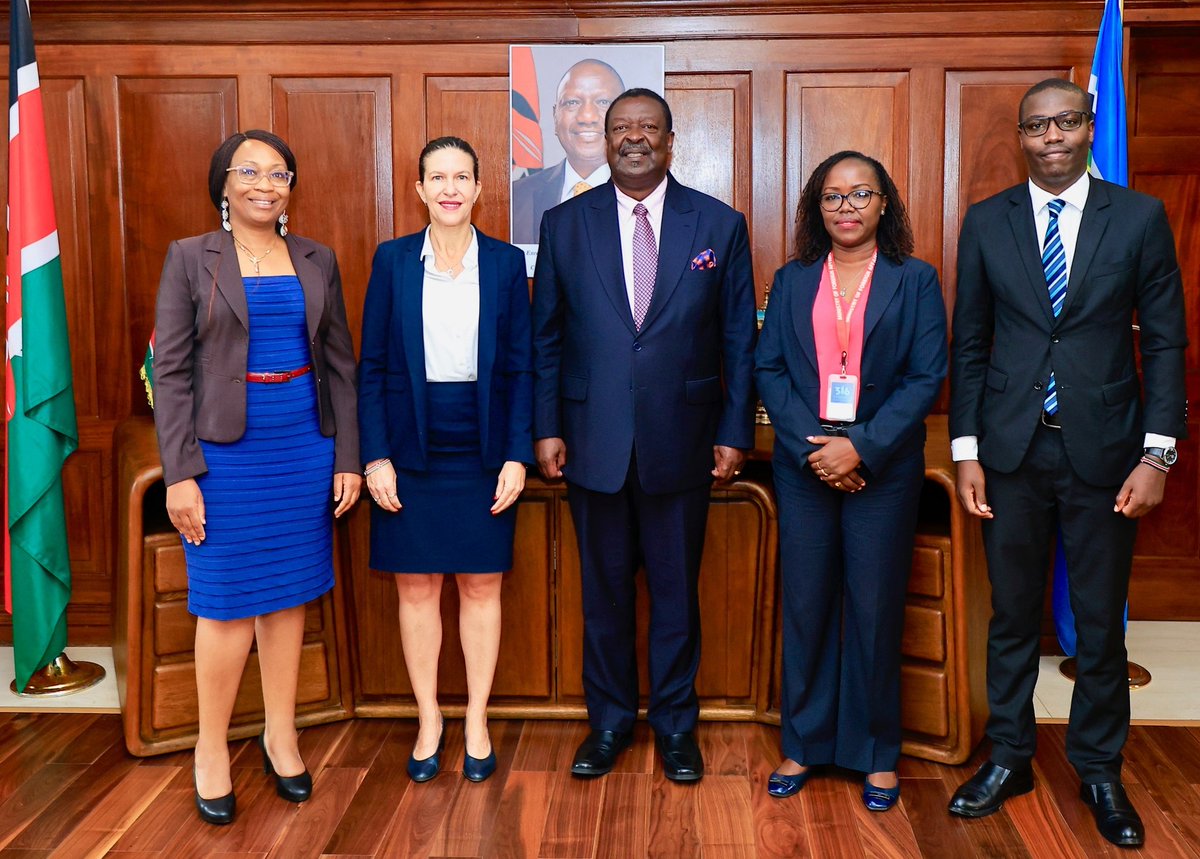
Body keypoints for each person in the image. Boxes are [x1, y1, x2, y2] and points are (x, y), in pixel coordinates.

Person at [947, 79, 1188, 848]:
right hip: (1011, 451)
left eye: (1066, 122)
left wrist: (1157, 453)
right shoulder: (987, 222)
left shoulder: (1141, 217)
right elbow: (972, 344)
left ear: (1089, 127)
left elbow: (1165, 342)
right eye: (1037, 125)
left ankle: (1099, 768)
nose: (1052, 136)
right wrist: (966, 451)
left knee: (1098, 626)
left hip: (1107, 452)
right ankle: (1011, 756)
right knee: (1012, 615)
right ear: (1020, 135)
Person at [532, 88, 756, 782]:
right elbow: (545, 338)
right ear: (602, 139)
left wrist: (734, 429)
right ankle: (607, 722)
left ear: (671, 140)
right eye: (621, 128)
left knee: (675, 593)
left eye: (648, 128)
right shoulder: (564, 223)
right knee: (602, 594)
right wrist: (545, 428)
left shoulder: (719, 224)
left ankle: (676, 726)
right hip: (589, 441)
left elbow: (737, 341)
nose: (634, 138)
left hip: (683, 443)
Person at [153, 130, 361, 825]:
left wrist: (348, 457)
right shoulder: (189, 259)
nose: (265, 183)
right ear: (224, 184)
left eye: (278, 173)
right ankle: (210, 749)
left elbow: (341, 366)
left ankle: (282, 733)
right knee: (225, 604)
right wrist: (180, 474)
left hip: (301, 446)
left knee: (289, 596)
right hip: (225, 457)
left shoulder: (316, 258)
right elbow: (172, 375)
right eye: (250, 171)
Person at [754, 151, 947, 810]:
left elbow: (927, 375)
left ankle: (877, 752)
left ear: (884, 203)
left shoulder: (915, 280)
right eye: (833, 197)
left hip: (884, 468)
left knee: (873, 608)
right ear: (817, 208)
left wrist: (859, 447)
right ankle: (803, 742)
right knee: (806, 606)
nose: (846, 207)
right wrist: (819, 449)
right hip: (805, 464)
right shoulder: (793, 278)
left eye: (860, 194)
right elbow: (770, 368)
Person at [358, 136, 533, 785]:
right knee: (416, 586)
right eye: (438, 177)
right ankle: (429, 717)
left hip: (484, 449)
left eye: (462, 176)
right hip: (410, 449)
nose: (450, 188)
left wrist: (518, 454)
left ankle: (477, 719)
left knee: (481, 584)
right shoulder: (394, 260)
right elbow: (371, 365)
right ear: (420, 189)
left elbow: (520, 366)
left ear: (480, 187)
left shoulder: (507, 263)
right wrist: (375, 455)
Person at [510, 59, 625, 245]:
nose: (587, 117)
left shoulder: (645, 195)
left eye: (603, 102)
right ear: (555, 115)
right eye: (572, 102)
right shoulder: (518, 196)